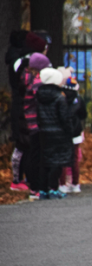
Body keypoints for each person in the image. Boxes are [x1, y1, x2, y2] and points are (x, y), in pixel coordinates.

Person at [5, 31, 48, 192]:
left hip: (24, 108)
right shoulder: (24, 68)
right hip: (24, 109)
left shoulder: (21, 64)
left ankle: (24, 178)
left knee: (26, 145)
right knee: (24, 145)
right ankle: (19, 179)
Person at [36, 67, 77, 199]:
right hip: (59, 133)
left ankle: (43, 189)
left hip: (44, 132)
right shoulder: (59, 98)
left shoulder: (39, 96)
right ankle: (53, 187)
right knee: (57, 161)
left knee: (45, 161)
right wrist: (69, 131)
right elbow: (64, 117)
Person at [20, 52, 52, 200]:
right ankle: (37, 186)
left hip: (30, 120)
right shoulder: (38, 81)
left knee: (34, 154)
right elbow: (42, 101)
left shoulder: (27, 78)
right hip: (38, 122)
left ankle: (34, 185)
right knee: (38, 156)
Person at [57, 67, 86, 194]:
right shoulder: (78, 99)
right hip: (75, 131)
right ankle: (75, 183)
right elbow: (83, 114)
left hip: (63, 131)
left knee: (63, 158)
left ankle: (62, 184)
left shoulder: (60, 98)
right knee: (74, 158)